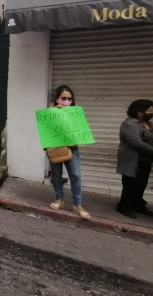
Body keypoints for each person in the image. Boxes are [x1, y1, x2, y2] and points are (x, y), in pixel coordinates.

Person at [46, 85, 90, 220]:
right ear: (57, 99)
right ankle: (59, 199)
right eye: (63, 98)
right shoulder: (49, 112)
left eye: (69, 99)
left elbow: (80, 130)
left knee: (75, 175)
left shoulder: (75, 113)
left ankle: (78, 205)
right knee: (57, 175)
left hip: (72, 149)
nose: (66, 101)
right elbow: (45, 130)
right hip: (55, 148)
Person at [116, 99, 153, 219]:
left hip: (146, 159)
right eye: (149, 110)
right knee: (130, 183)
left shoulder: (148, 123)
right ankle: (123, 206)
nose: (152, 113)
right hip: (133, 159)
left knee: (141, 183)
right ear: (139, 112)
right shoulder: (129, 124)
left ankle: (137, 204)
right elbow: (137, 143)